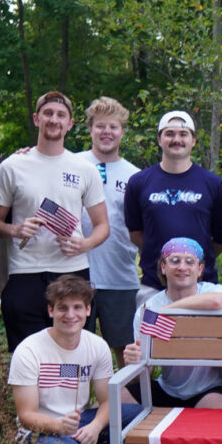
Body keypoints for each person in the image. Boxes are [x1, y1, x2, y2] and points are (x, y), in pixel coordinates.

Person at [0, 91, 109, 351]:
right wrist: (16, 229)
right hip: (25, 274)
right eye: (48, 113)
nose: (54, 120)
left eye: (60, 115)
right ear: (36, 119)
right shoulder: (13, 166)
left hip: (73, 270)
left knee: (73, 354)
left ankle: (72, 394)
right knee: (28, 355)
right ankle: (31, 394)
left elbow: (103, 226)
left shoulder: (84, 169)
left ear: (70, 123)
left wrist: (85, 244)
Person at [123, 237, 222, 444]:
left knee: (220, 413)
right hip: (169, 387)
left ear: (200, 269)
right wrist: (135, 359)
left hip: (209, 387)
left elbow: (219, 302)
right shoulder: (148, 307)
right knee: (115, 399)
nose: (182, 267)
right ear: (163, 267)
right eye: (174, 261)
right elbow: (146, 368)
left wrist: (169, 310)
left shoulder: (214, 291)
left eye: (189, 261)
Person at [8, 275, 141, 444]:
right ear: (50, 311)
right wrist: (59, 426)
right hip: (40, 430)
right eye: (62, 308)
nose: (70, 315)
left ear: (88, 310)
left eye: (77, 307)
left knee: (138, 415)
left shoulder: (97, 345)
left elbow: (108, 400)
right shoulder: (29, 350)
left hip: (80, 421)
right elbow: (26, 416)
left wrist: (95, 427)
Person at [124, 110, 222, 306]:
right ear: (159, 139)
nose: (176, 139)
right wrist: (164, 259)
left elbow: (221, 239)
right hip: (154, 286)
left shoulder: (212, 184)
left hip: (202, 286)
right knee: (150, 337)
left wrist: (191, 259)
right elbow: (136, 233)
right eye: (169, 134)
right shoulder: (139, 182)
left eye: (183, 134)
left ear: (193, 140)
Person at [77, 97, 140, 366]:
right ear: (90, 129)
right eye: (100, 126)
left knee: (127, 350)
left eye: (113, 127)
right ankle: (77, 404)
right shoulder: (71, 164)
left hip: (120, 277)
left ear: (122, 132)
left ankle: (134, 404)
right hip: (77, 273)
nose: (106, 132)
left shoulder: (136, 176)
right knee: (75, 349)